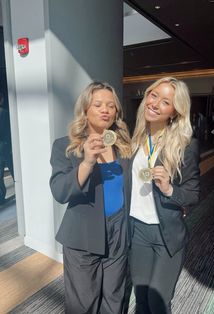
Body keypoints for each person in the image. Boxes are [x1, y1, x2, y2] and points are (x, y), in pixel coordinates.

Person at [49, 82, 131, 314]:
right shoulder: (65, 146)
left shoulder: (123, 146)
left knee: (114, 299)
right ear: (85, 109)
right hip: (83, 236)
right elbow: (59, 191)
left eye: (111, 105)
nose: (105, 110)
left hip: (119, 232)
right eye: (98, 104)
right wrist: (86, 162)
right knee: (83, 305)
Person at [128, 77, 200, 314]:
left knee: (158, 301)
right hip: (137, 230)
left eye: (165, 101)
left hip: (166, 234)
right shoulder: (135, 138)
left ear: (174, 112)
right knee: (141, 299)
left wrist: (169, 189)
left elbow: (192, 194)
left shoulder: (185, 145)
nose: (155, 103)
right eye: (153, 95)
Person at [0, 93, 14, 204]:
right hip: (7, 147)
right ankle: (21, 190)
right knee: (14, 171)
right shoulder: (4, 113)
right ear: (2, 99)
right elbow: (9, 131)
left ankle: (1, 198)